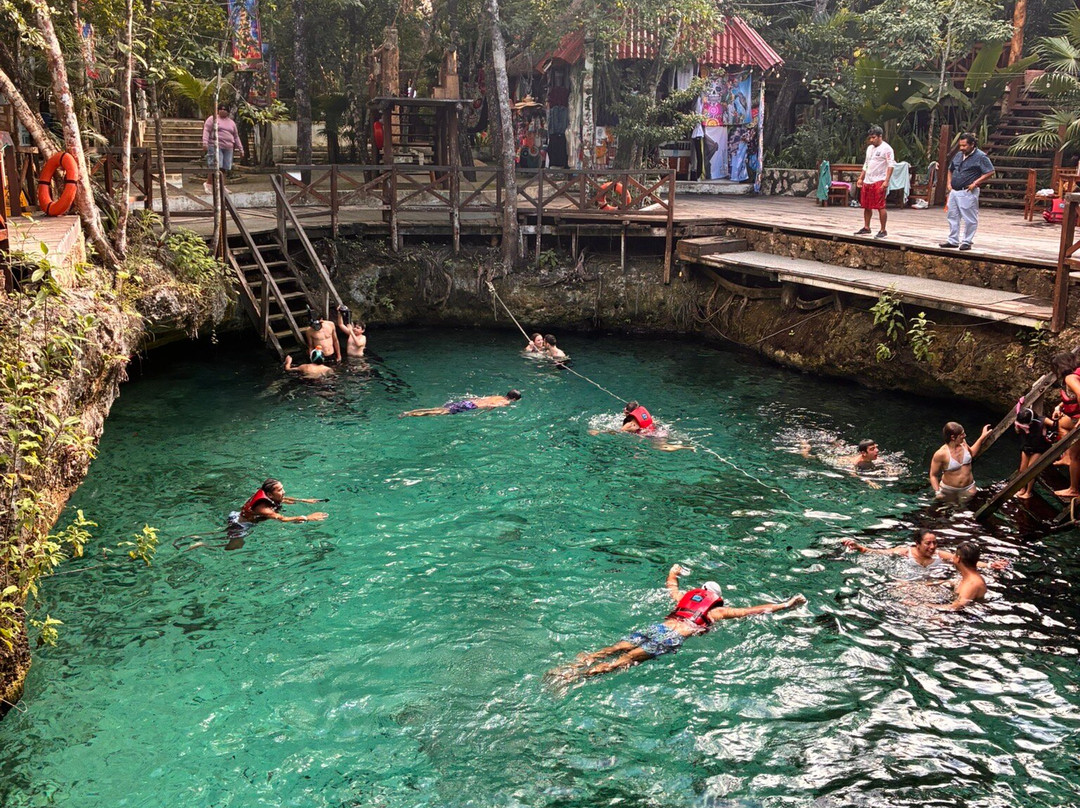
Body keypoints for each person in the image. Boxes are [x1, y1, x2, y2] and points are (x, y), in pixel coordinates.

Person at [548, 564, 806, 680]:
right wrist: (786, 605)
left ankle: (569, 667)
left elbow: (671, 585)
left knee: (612, 649)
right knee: (622, 662)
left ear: (701, 591)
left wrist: (674, 571)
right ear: (717, 599)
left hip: (658, 627)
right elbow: (752, 611)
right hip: (673, 637)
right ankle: (575, 678)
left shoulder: (684, 599)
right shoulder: (716, 612)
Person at [842, 529, 1008, 572]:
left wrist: (990, 565)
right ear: (917, 544)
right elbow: (880, 552)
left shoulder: (939, 555)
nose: (932, 547)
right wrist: (860, 548)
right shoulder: (905, 552)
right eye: (928, 543)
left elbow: (964, 560)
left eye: (935, 543)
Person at [940, 133, 995, 251]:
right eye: (960, 145)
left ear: (972, 144)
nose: (962, 148)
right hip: (954, 191)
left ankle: (967, 241)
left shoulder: (981, 156)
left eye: (964, 146)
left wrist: (975, 183)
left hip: (967, 191)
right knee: (952, 216)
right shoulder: (958, 155)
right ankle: (953, 240)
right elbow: (950, 169)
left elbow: (990, 171)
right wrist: (949, 183)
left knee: (969, 217)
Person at [929, 421, 992, 503]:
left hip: (969, 487)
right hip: (949, 490)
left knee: (966, 508)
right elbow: (933, 475)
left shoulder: (963, 443)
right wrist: (937, 492)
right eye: (961, 434)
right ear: (953, 437)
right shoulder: (941, 454)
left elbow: (972, 453)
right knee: (950, 508)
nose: (964, 435)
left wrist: (982, 437)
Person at [854, 125, 895, 239]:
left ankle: (883, 229)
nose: (871, 140)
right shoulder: (870, 149)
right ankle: (866, 227)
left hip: (879, 180)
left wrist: (886, 181)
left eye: (874, 137)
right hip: (868, 180)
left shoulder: (887, 149)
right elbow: (866, 164)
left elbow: (891, 165)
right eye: (870, 138)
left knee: (880, 206)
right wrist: (861, 178)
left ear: (880, 136)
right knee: (866, 205)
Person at [1049, 350, 1080, 497]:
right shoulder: (1076, 375)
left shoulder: (1070, 378)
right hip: (1073, 417)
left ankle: (1073, 489)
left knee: (1075, 456)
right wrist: (1059, 407)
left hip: (1077, 419)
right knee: (1061, 423)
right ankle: (1066, 457)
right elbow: (1072, 396)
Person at [931, 542, 988, 610]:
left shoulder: (972, 583)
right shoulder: (969, 578)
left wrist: (924, 605)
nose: (953, 557)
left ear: (958, 558)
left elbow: (955, 607)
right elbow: (955, 583)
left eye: (955, 555)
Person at [1014, 406, 1055, 499]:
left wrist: (1049, 434)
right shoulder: (1019, 422)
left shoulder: (1042, 421)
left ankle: (1028, 492)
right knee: (1022, 469)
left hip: (1038, 448)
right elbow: (1018, 431)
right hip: (1027, 445)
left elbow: (1055, 425)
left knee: (1030, 469)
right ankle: (1022, 488)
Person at [202, 104, 244, 194]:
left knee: (225, 167)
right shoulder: (212, 119)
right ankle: (209, 184)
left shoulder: (231, 123)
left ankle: (222, 186)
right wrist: (205, 142)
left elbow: (236, 136)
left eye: (225, 109)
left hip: (228, 147)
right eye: (221, 109)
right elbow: (206, 130)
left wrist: (241, 149)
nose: (222, 111)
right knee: (216, 166)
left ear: (228, 112)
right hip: (215, 145)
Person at [402, 390, 521, 417]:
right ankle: (409, 414)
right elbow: (493, 405)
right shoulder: (506, 402)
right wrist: (482, 413)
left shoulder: (497, 396)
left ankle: (411, 412)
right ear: (514, 399)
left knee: (439, 409)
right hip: (471, 406)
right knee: (439, 413)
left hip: (469, 402)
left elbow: (484, 399)